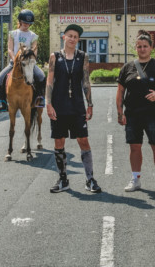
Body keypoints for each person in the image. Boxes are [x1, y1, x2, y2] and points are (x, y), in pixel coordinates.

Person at [117, 30, 155, 193]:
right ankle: (135, 179)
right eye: (139, 46)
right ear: (135, 48)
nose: (142, 49)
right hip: (132, 114)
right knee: (134, 147)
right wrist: (119, 112)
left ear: (151, 48)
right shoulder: (127, 67)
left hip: (154, 114)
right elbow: (120, 91)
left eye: (145, 46)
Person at [45, 24, 101, 194]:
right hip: (59, 106)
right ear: (64, 37)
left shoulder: (83, 57)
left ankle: (90, 179)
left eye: (75, 37)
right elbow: (49, 82)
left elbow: (85, 81)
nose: (72, 39)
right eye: (69, 35)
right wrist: (48, 104)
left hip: (77, 106)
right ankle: (63, 180)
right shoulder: (54, 57)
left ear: (78, 40)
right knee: (59, 141)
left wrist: (90, 104)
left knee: (83, 140)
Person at [0, 9, 46, 112]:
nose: (27, 24)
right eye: (25, 22)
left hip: (29, 63)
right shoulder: (13, 34)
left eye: (29, 23)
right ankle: (4, 102)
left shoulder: (33, 36)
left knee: (41, 77)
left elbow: (35, 50)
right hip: (14, 63)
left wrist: (31, 60)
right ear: (20, 21)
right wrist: (15, 60)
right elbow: (9, 48)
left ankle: (39, 99)